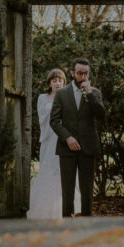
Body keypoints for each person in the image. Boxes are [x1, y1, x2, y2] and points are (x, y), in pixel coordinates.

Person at [50, 57, 106, 217]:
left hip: (88, 147)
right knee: (67, 188)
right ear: (73, 73)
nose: (83, 77)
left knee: (87, 188)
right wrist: (67, 137)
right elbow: (54, 121)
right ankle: (67, 221)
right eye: (80, 73)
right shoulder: (61, 93)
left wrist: (89, 94)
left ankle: (87, 222)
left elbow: (101, 115)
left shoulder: (95, 92)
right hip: (66, 147)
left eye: (86, 73)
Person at [27, 69, 80, 219]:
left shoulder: (67, 97)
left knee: (63, 173)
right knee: (48, 171)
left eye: (60, 81)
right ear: (49, 83)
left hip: (62, 139)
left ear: (64, 82)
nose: (57, 83)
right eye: (54, 81)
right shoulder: (42, 98)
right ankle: (43, 210)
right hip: (49, 139)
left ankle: (64, 209)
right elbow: (42, 119)